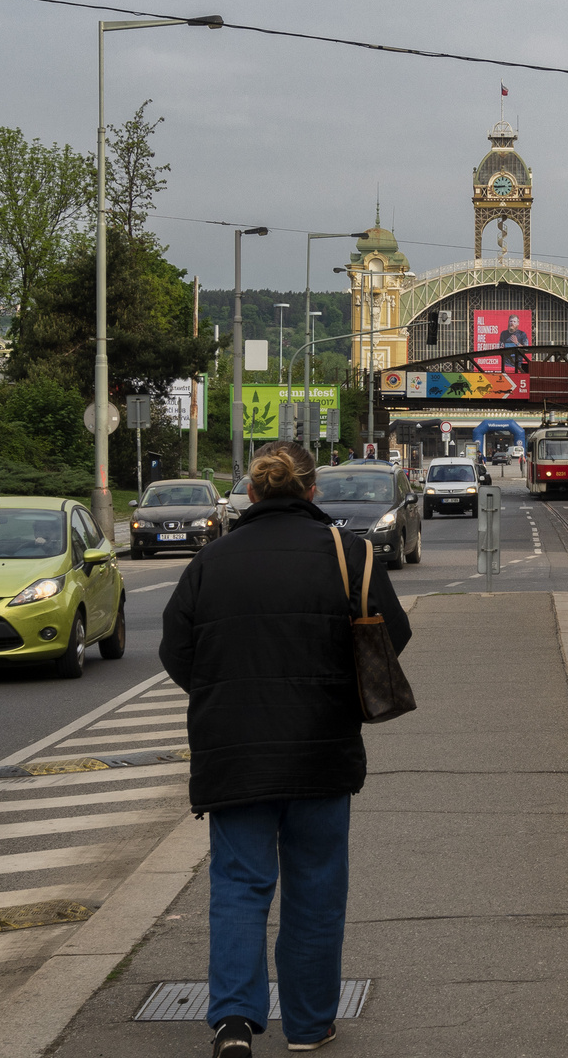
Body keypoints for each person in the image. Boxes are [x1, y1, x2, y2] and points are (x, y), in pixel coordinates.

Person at [160, 441, 411, 1057]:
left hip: (234, 751)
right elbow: (392, 635)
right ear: (312, 491)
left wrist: (228, 696)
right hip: (322, 749)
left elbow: (176, 651)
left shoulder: (211, 562)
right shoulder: (350, 556)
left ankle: (235, 1023)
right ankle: (308, 1024)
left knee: (240, 884)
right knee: (316, 887)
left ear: (251, 493)